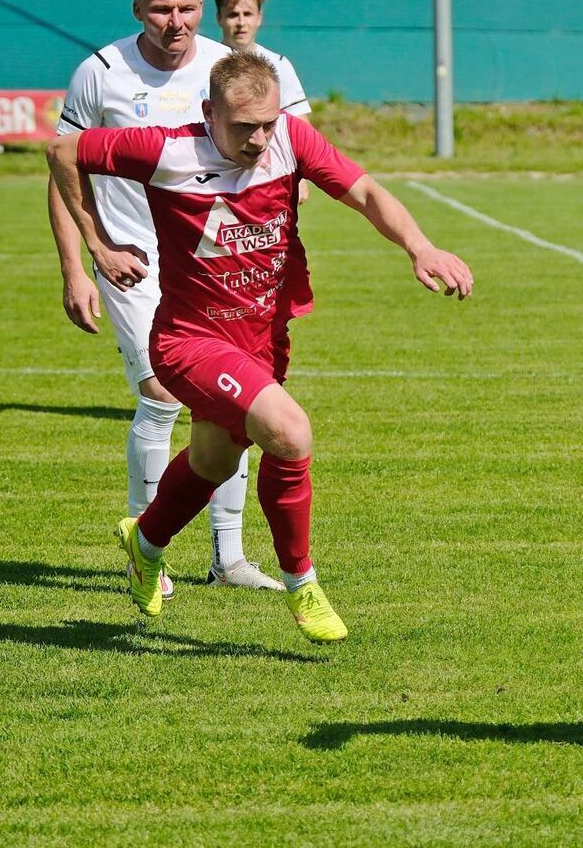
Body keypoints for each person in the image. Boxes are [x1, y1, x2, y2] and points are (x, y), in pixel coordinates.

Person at [46, 50, 473, 642]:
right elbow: (64, 151)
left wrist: (419, 247)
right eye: (244, 126)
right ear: (208, 113)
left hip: (262, 338)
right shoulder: (166, 148)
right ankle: (302, 584)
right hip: (190, 340)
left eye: (268, 122)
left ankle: (144, 543)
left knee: (213, 462)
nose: (259, 138)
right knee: (290, 431)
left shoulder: (291, 139)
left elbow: (367, 192)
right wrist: (98, 244)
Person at [49, 0, 281, 592]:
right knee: (161, 395)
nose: (173, 21)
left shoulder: (228, 69)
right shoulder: (100, 73)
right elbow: (64, 167)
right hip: (132, 265)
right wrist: (83, 260)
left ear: (201, 9)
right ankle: (146, 550)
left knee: (228, 407)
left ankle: (228, 558)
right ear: (138, 11)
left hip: (216, 267)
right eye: (160, 9)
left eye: (184, 8)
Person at [214, 0, 314, 205]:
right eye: (232, 14)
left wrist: (300, 178)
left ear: (259, 17)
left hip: (269, 180)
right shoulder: (205, 64)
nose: (241, 22)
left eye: (247, 14)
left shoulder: (278, 64)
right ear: (219, 18)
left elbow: (299, 127)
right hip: (216, 181)